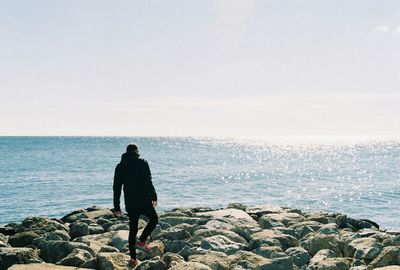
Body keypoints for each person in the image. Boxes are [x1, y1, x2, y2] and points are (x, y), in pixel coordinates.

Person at [113, 144, 158, 267]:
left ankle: (133, 259)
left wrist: (116, 207)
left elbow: (116, 188)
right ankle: (142, 241)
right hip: (144, 200)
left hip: (131, 202)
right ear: (137, 151)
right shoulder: (142, 162)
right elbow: (148, 180)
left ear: (126, 152)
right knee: (154, 220)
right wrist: (154, 196)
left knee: (133, 229)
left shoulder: (120, 166)